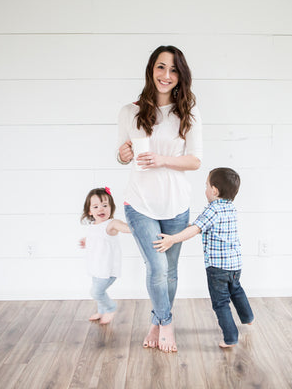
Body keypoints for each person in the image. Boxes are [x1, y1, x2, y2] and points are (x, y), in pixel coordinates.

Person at [116, 45, 203, 352]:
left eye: (173, 70)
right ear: (151, 69)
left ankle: (156, 319)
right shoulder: (130, 111)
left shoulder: (187, 115)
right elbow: (122, 154)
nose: (166, 75)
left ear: (180, 76)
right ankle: (167, 323)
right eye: (161, 67)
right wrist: (123, 154)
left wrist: (163, 160)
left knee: (170, 269)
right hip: (139, 203)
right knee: (156, 267)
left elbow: (195, 161)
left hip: (176, 204)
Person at [153, 167, 254, 348]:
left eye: (206, 185)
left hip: (217, 268)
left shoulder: (213, 210)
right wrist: (193, 226)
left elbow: (196, 229)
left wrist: (173, 239)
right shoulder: (230, 208)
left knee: (221, 302)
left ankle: (230, 337)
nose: (205, 189)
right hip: (235, 264)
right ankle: (248, 317)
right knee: (236, 290)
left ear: (214, 190)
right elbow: (208, 228)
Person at [79, 187, 131, 325]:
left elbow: (127, 228)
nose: (101, 209)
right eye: (96, 206)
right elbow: (95, 237)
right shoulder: (93, 225)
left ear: (111, 207)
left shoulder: (112, 224)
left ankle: (110, 308)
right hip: (96, 267)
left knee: (96, 292)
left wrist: (137, 226)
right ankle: (102, 311)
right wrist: (86, 240)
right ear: (90, 211)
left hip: (108, 270)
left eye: (105, 205)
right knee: (98, 290)